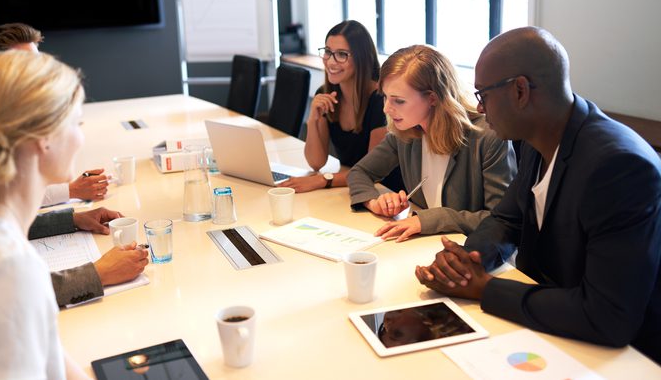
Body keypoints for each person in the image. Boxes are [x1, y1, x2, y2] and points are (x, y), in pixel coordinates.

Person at [415, 27, 661, 363]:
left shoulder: (617, 166)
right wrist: (466, 264)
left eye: (483, 95)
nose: (479, 107)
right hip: (553, 327)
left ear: (520, 90)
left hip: (620, 356)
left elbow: (609, 316)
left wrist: (485, 288)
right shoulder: (539, 137)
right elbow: (506, 218)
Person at [0, 50, 93, 378]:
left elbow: (42, 345)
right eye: (77, 123)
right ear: (43, 138)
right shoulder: (8, 270)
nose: (81, 138)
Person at [347, 44, 516, 241]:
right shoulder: (404, 131)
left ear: (432, 98)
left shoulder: (487, 137)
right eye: (385, 97)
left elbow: (500, 221)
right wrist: (374, 201)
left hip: (473, 253)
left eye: (398, 101)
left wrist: (428, 220)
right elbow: (360, 172)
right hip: (425, 245)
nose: (386, 109)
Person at [0, 22, 110, 203]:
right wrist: (71, 191)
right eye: (24, 66)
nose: (36, 75)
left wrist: (73, 216)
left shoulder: (3, 117)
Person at [279, 20, 402, 193]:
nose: (331, 61)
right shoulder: (326, 95)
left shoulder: (380, 100)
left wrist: (322, 180)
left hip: (385, 192)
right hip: (351, 186)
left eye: (342, 54)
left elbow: (373, 171)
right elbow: (316, 162)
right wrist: (313, 119)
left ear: (362, 58)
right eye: (328, 52)